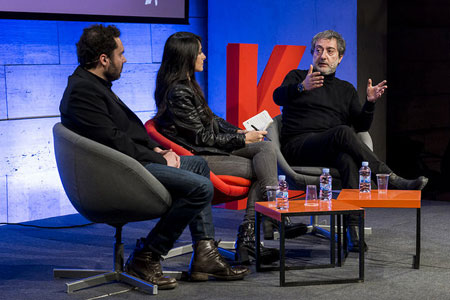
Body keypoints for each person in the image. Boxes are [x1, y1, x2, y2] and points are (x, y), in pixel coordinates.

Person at [59, 24, 250, 290]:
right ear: (104, 59)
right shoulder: (83, 92)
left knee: (198, 164)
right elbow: (113, 141)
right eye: (120, 53)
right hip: (117, 172)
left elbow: (124, 133)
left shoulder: (95, 84)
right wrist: (159, 159)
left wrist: (158, 150)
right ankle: (147, 255)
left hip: (131, 161)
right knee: (200, 188)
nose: (124, 59)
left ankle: (205, 253)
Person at [153, 32, 306, 265]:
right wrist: (243, 141)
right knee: (261, 168)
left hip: (210, 148)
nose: (204, 56)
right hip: (199, 157)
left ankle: (259, 230)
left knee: (264, 150)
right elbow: (202, 138)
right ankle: (255, 233)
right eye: (200, 51)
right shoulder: (178, 92)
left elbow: (212, 120)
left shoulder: (188, 85)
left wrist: (239, 132)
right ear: (186, 55)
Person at [273, 29, 428, 251]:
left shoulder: (345, 89)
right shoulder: (298, 77)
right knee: (343, 132)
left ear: (340, 57)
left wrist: (370, 103)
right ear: (312, 53)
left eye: (329, 51)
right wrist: (301, 87)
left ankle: (352, 230)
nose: (323, 56)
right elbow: (277, 96)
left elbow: (362, 126)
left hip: (329, 148)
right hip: (298, 146)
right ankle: (389, 177)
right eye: (318, 50)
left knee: (347, 157)